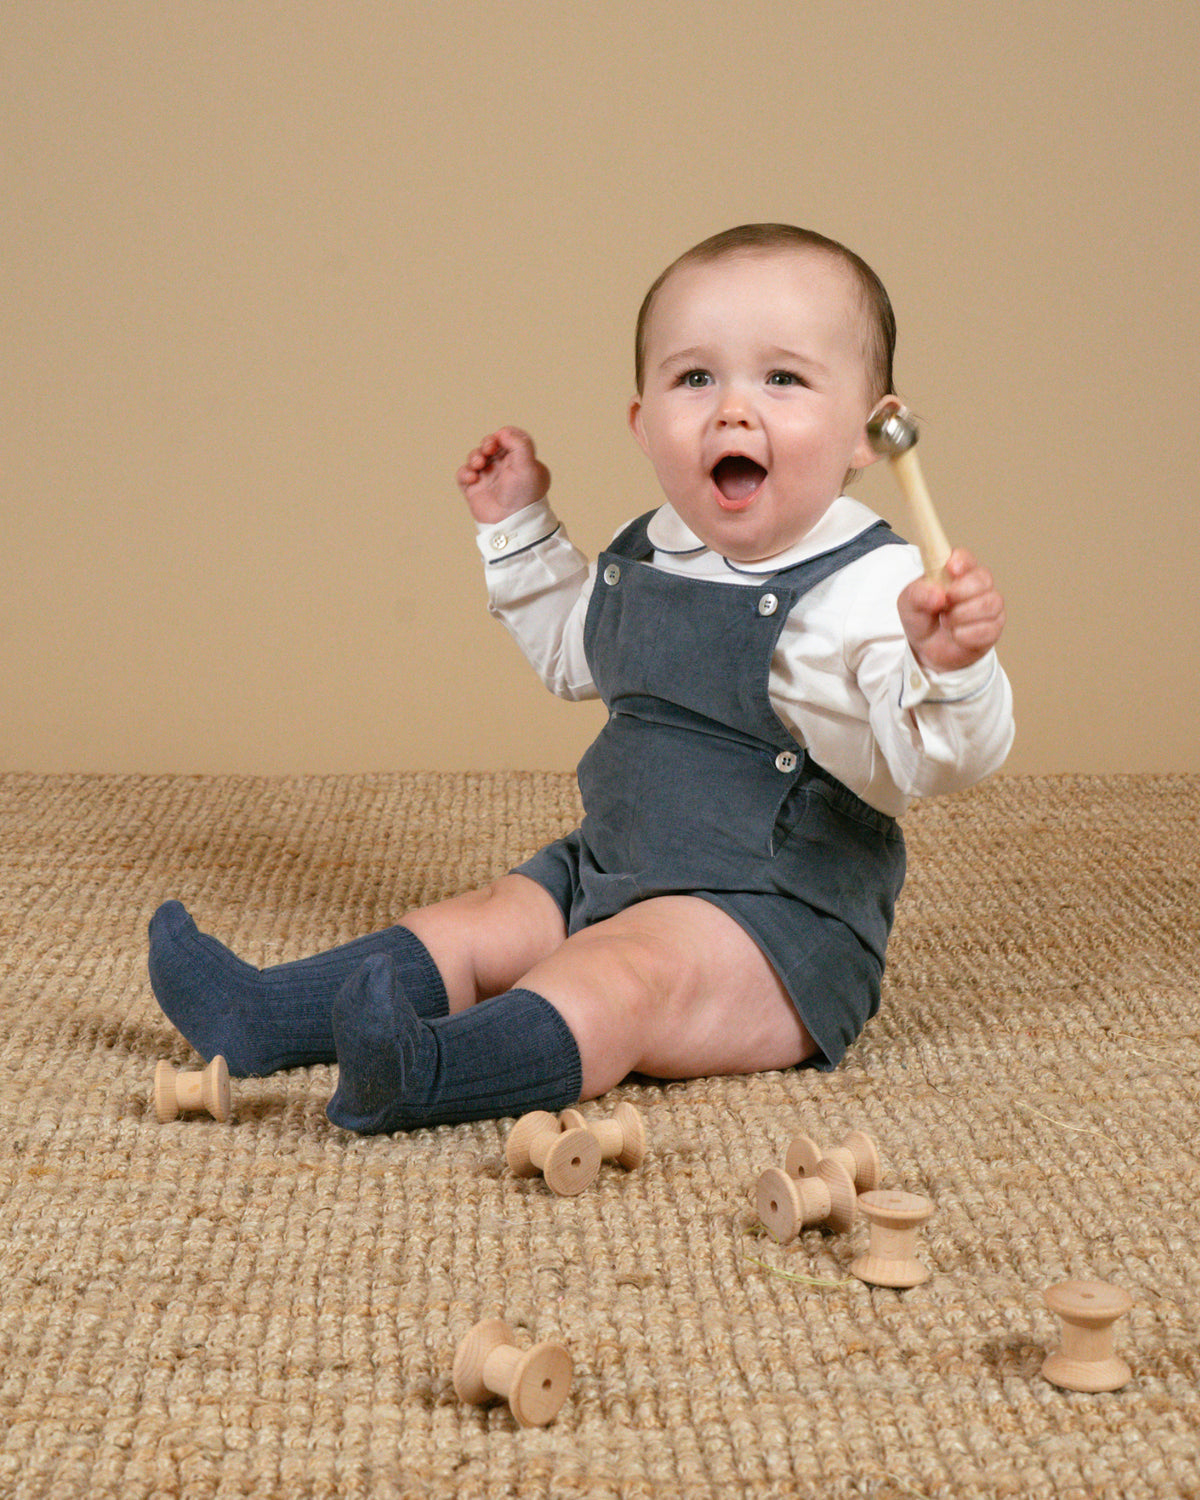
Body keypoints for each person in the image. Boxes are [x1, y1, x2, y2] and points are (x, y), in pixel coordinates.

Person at [148, 223, 1013, 1134]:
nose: (732, 411)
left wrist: (946, 668)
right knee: (486, 920)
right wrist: (518, 527)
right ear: (643, 423)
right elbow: (579, 648)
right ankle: (261, 1017)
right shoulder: (656, 548)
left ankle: (429, 1073)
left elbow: (932, 761)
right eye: (695, 379)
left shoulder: (878, 588)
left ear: (869, 431)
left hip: (772, 926)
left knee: (617, 974)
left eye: (783, 379)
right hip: (614, 865)